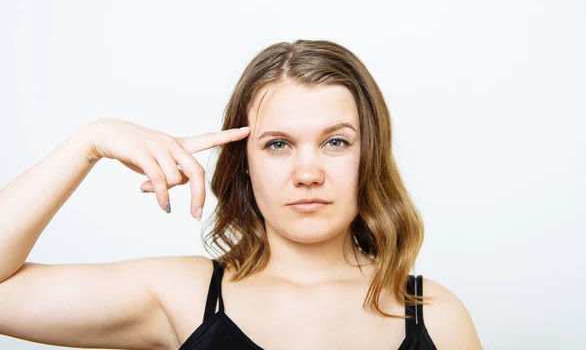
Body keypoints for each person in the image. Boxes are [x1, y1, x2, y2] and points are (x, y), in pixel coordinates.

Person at [0, 40, 483, 350]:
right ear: (245, 165)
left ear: (369, 156)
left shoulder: (435, 317)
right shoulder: (184, 297)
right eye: (278, 144)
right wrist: (91, 141)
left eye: (336, 142)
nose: (307, 172)